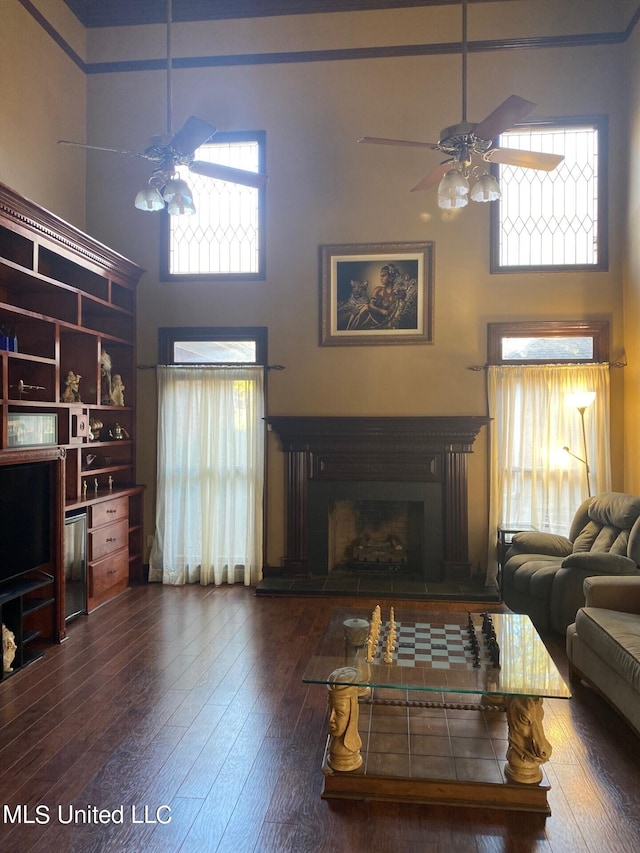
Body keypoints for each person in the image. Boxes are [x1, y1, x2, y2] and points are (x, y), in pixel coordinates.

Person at [347, 263, 403, 330]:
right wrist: (381, 311)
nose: (381, 279)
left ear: (391, 276)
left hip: (381, 322)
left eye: (384, 276)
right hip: (368, 316)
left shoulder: (396, 293)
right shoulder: (378, 289)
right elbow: (370, 306)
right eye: (381, 276)